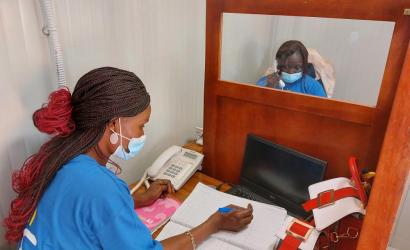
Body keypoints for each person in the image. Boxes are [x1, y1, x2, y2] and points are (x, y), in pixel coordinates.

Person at [4, 67, 253, 249]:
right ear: (114, 124)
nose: (142, 134)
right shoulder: (101, 188)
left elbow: (87, 211)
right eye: (141, 126)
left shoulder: (62, 157)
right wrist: (214, 224)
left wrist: (135, 200)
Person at [256, 40, 327, 97]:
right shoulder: (265, 82)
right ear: (278, 65)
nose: (290, 72)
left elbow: (324, 111)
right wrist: (267, 89)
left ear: (304, 66)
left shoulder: (313, 87)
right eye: (285, 67)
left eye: (297, 67)